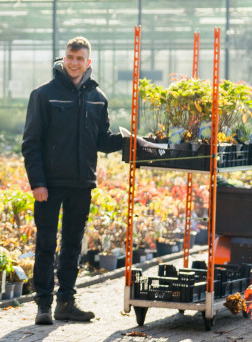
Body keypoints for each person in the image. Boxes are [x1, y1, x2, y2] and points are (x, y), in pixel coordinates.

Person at [21, 36, 154, 325]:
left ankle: (66, 303)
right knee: (46, 243)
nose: (74, 62)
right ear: (64, 58)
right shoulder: (44, 95)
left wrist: (129, 141)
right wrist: (37, 183)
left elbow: (101, 140)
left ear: (88, 62)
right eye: (70, 57)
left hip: (82, 183)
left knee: (73, 245)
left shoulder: (97, 98)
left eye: (80, 58)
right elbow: (31, 143)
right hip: (50, 184)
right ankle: (43, 304)